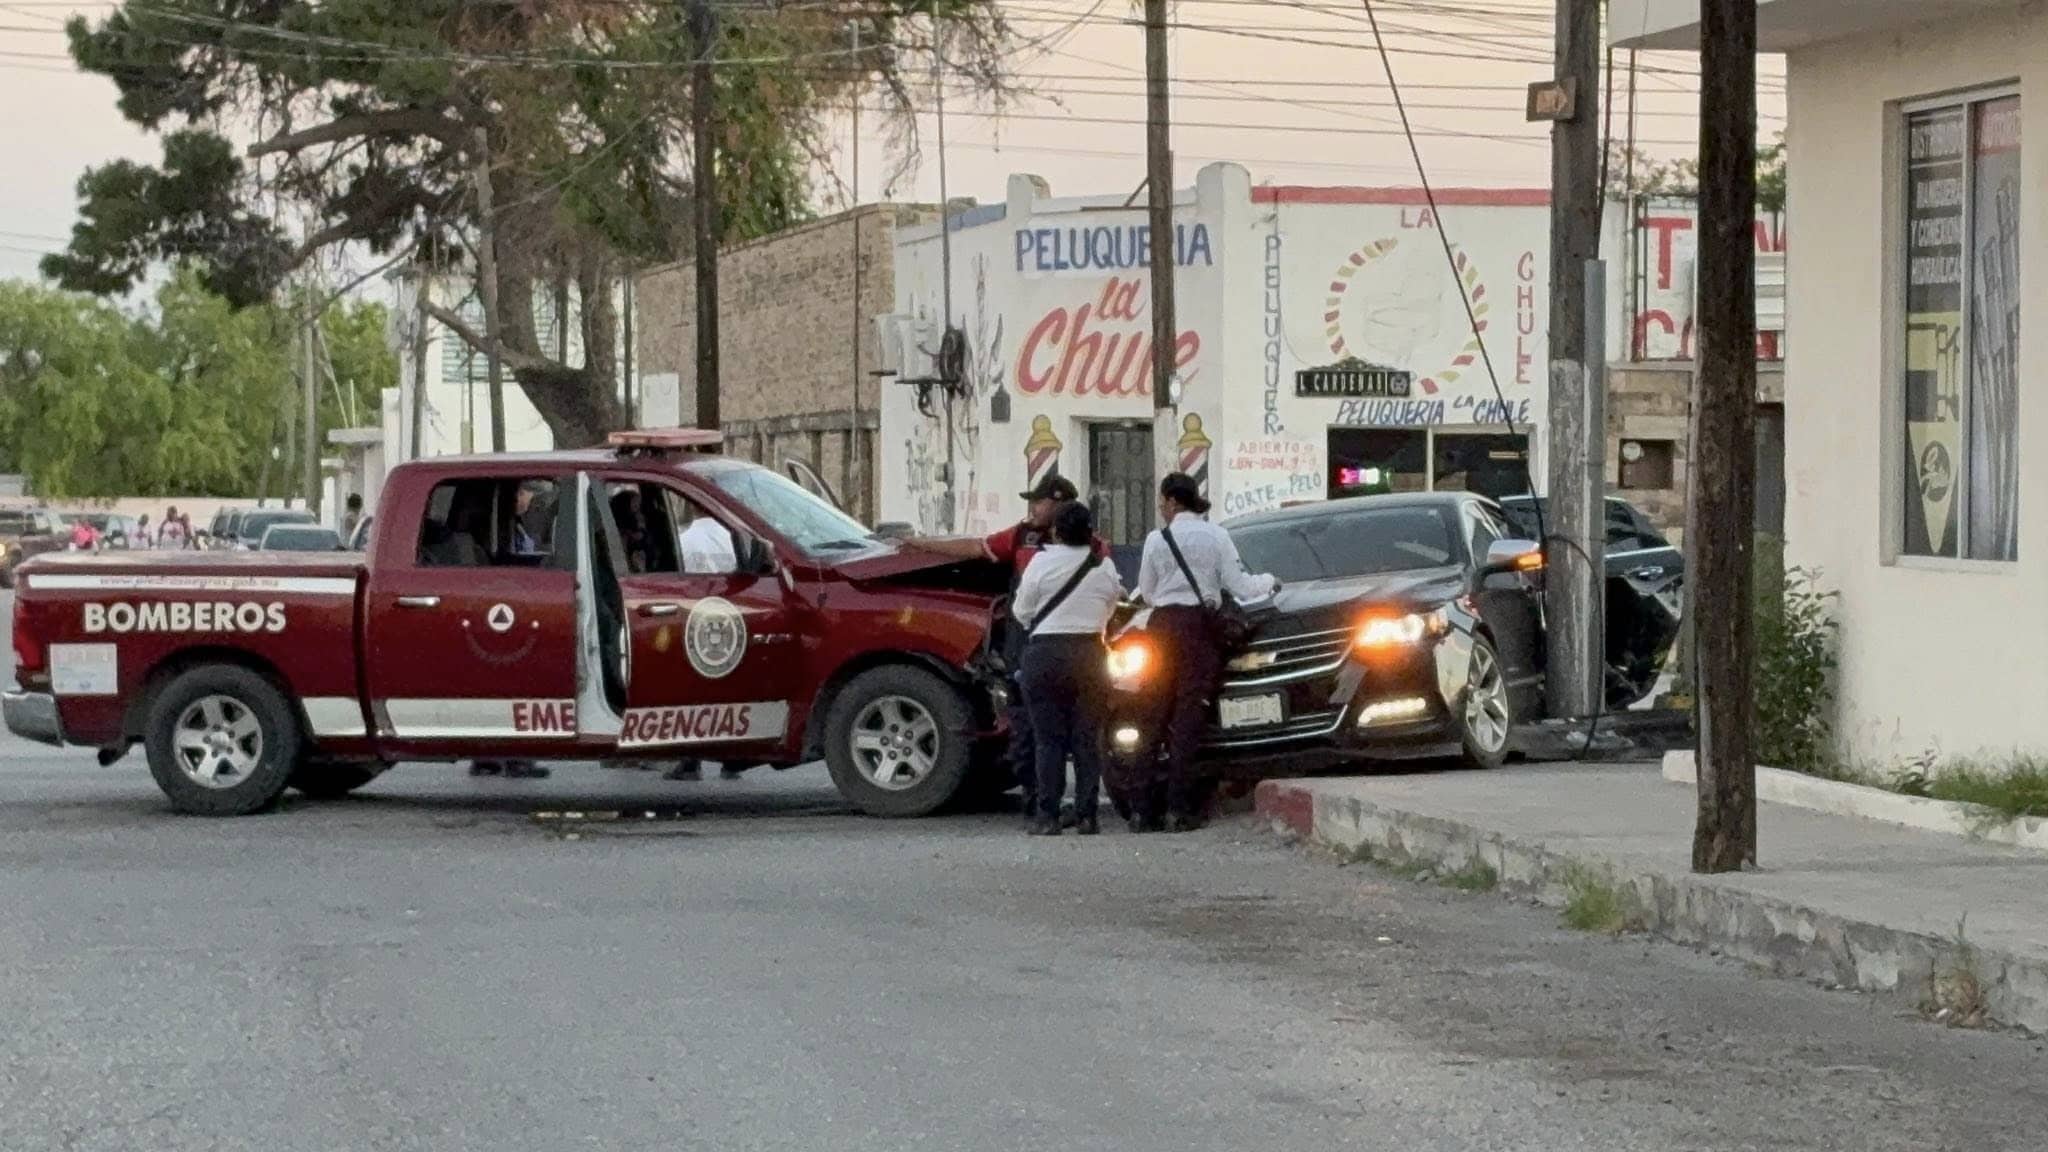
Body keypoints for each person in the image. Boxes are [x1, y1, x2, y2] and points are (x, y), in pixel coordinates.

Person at [912, 474, 1105, 823]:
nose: (1032, 507)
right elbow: (975, 548)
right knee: (1029, 732)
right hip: (1032, 648)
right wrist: (919, 544)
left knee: (1062, 737)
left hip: (1044, 645)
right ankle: (1042, 804)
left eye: (1040, 501)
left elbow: (1027, 606)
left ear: (1061, 506)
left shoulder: (1089, 548)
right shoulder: (1021, 536)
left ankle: (1056, 813)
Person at [1134, 472, 1279, 833]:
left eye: (1162, 502)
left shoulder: (1156, 539)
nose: (1161, 508)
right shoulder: (1216, 535)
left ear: (1171, 501)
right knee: (1187, 719)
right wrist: (1270, 581)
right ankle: (1178, 809)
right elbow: (1241, 586)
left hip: (1162, 628)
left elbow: (1148, 592)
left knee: (1152, 717)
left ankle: (1141, 811)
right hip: (1198, 631)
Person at [1011, 501, 1122, 836]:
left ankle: (1047, 816)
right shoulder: (1103, 567)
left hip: (1044, 655)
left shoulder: (1040, 562)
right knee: (1087, 740)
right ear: (1089, 533)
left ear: (1057, 532)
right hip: (1090, 654)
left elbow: (1022, 610)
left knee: (1048, 740)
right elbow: (1111, 606)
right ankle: (1087, 815)